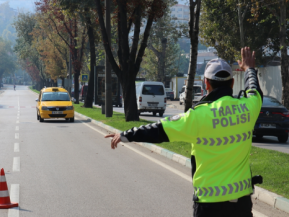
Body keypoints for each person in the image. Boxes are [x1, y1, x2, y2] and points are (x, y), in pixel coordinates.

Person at [105, 47, 263, 217]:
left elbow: (158, 130)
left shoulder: (197, 116)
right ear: (232, 83)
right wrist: (249, 69)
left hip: (209, 206)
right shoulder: (248, 108)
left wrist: (126, 135)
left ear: (206, 83)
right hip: (241, 205)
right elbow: (253, 90)